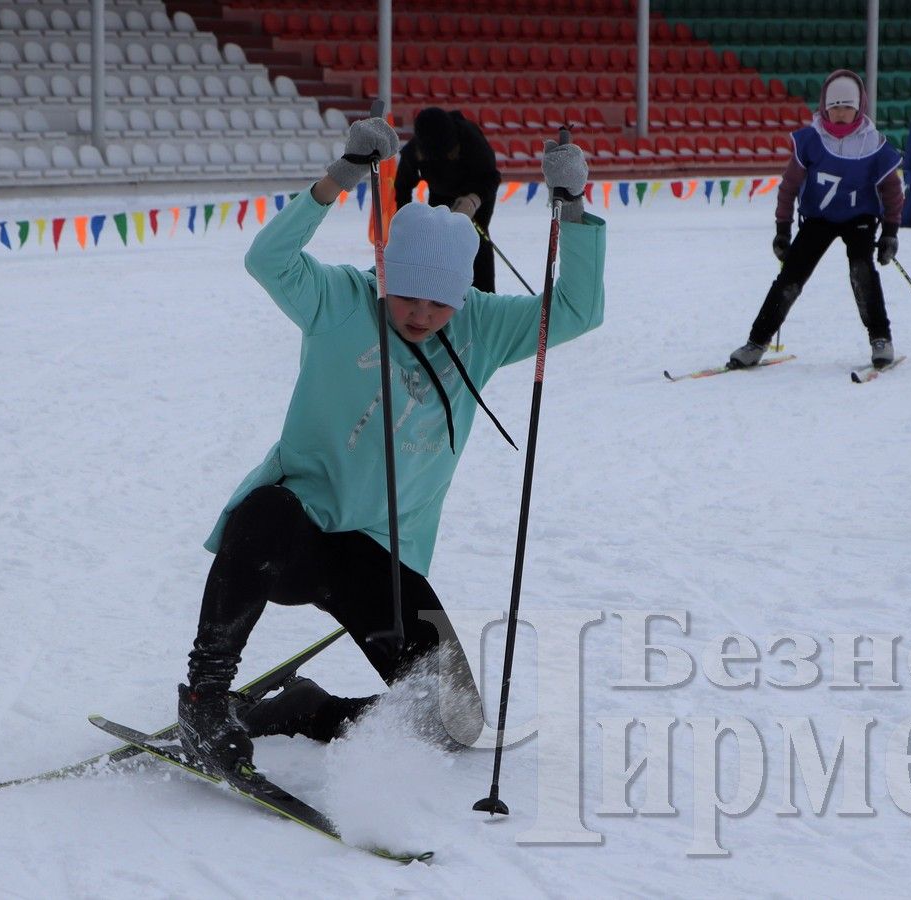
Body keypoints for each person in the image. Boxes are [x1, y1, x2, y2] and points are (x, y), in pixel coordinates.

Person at [176, 118, 604, 774]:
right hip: (290, 542)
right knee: (265, 507)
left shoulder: (483, 329)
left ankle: (307, 711)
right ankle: (206, 701)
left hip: (379, 553)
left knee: (452, 721)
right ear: (383, 275)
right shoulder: (340, 301)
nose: (421, 314)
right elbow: (267, 260)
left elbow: (575, 310)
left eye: (440, 301)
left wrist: (570, 209)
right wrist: (341, 175)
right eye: (406, 294)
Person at [727, 69, 904, 371]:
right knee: (790, 278)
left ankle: (880, 339)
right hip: (818, 218)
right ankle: (756, 342)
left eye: (847, 107)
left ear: (859, 107)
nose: (840, 114)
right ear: (825, 107)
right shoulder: (810, 140)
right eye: (834, 107)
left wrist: (890, 232)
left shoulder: (873, 144)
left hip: (859, 218)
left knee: (862, 272)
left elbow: (892, 192)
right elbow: (789, 186)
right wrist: (782, 229)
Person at [394, 106, 503, 292]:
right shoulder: (415, 151)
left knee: (475, 239)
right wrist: (405, 221)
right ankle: (442, 293)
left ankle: (484, 294)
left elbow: (491, 177)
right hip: (441, 193)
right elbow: (403, 186)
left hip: (476, 193)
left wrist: (473, 201)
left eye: (451, 153)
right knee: (439, 240)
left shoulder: (471, 139)